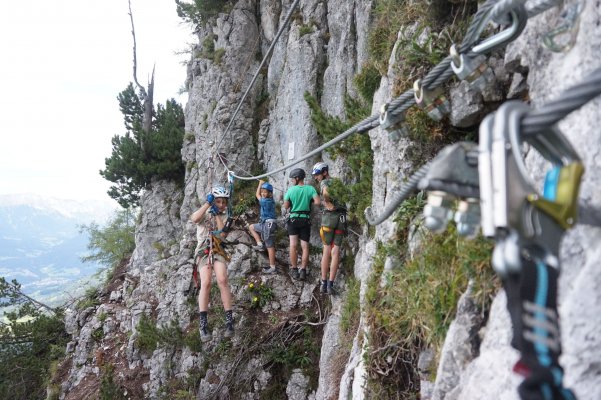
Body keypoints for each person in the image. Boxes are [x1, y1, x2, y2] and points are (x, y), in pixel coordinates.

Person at [190, 186, 235, 342]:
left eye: (223, 202)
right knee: (207, 282)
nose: (221, 204)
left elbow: (222, 234)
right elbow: (194, 219)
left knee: (222, 279)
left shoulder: (226, 215)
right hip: (204, 248)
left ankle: (229, 320)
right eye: (218, 201)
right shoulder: (205, 212)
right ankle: (203, 324)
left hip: (218, 247)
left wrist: (217, 215)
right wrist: (207, 205)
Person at [311, 162, 346, 295]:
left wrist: (328, 203)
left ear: (324, 172)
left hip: (329, 218)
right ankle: (331, 285)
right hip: (341, 218)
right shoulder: (337, 182)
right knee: (336, 250)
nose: (316, 178)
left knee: (326, 249)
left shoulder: (324, 183)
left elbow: (325, 193)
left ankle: (323, 283)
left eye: (318, 175)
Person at [283, 168, 320, 281]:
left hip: (293, 220)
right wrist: (309, 201)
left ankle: (294, 270)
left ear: (297, 178)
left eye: (293, 179)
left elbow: (286, 206)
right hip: (305, 220)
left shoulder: (290, 190)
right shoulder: (310, 189)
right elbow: (318, 202)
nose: (292, 181)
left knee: (293, 245)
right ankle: (303, 270)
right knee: (305, 247)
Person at [249, 180, 278, 274]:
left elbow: (257, 195)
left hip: (268, 224)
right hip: (265, 224)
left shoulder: (266, 201)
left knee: (270, 246)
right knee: (252, 227)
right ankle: (260, 244)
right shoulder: (269, 200)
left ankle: (272, 267)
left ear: (270, 193)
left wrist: (259, 184)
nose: (263, 193)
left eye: (265, 192)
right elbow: (259, 194)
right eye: (262, 191)